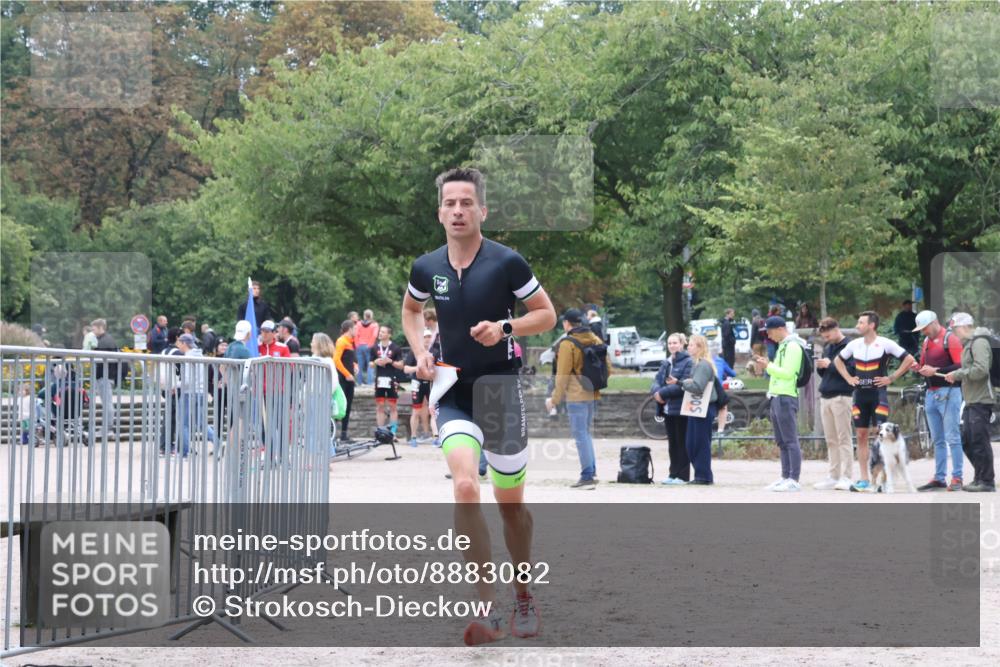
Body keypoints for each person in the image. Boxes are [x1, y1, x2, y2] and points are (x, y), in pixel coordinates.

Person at [401, 167, 555, 645]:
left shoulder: (507, 262)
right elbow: (410, 310)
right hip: (453, 390)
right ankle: (485, 608)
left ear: (482, 210)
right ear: (439, 213)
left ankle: (524, 593)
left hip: (500, 392)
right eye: (450, 204)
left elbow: (545, 315)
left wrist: (504, 328)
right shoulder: (426, 267)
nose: (458, 210)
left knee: (512, 509)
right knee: (465, 486)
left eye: (467, 203)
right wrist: (421, 349)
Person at [833, 311, 916, 492]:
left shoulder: (885, 344)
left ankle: (884, 480)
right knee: (861, 436)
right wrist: (848, 378)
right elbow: (837, 361)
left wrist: (891, 377)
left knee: (883, 436)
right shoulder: (854, 344)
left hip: (878, 394)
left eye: (861, 322)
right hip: (860, 396)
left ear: (872, 325)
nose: (857, 326)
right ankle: (864, 478)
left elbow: (909, 359)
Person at [544, 308, 603, 489]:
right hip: (592, 392)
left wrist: (554, 399)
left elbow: (562, 375)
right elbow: (607, 366)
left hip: (576, 395)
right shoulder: (595, 339)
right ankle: (591, 471)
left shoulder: (567, 343)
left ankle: (587, 476)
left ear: (566, 323)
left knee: (580, 436)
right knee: (586, 433)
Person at [912, 310, 965, 491]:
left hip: (949, 391)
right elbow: (925, 366)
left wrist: (935, 369)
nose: (923, 332)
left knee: (952, 436)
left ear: (934, 322)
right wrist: (918, 368)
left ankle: (957, 477)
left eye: (925, 328)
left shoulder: (950, 339)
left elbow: (961, 365)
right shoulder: (926, 341)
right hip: (931, 393)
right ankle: (939, 477)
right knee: (937, 439)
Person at [944, 313, 996, 492]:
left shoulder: (979, 342)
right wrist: (957, 373)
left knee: (980, 440)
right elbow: (969, 369)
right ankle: (979, 477)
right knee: (967, 439)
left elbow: (981, 369)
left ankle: (987, 482)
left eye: (955, 329)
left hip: (981, 399)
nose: (954, 333)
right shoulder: (968, 345)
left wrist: (958, 374)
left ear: (965, 327)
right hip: (971, 399)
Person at [754, 316, 805, 492]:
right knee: (782, 441)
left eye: (769, 331)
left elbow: (788, 373)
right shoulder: (783, 346)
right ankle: (785, 477)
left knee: (790, 440)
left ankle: (794, 478)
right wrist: (768, 367)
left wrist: (768, 366)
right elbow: (778, 373)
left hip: (786, 396)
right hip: (776, 396)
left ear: (780, 328)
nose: (768, 336)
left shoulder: (792, 346)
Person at [813, 317, 855, 490]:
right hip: (826, 396)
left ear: (836, 328)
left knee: (844, 438)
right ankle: (833, 475)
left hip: (842, 396)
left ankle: (847, 476)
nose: (826, 339)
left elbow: (852, 371)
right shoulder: (829, 347)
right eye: (823, 336)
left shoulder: (850, 347)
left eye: (827, 335)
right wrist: (822, 367)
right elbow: (828, 373)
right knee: (830, 439)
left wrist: (830, 365)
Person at [650, 333, 692, 484]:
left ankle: (683, 476)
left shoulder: (688, 362)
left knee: (682, 442)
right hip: (667, 408)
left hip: (681, 408)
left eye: (675, 343)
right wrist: (656, 392)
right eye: (669, 343)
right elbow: (656, 381)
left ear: (682, 344)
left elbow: (682, 386)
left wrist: (662, 393)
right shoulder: (666, 363)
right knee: (672, 443)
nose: (672, 346)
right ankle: (673, 474)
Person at [680, 334, 718, 485]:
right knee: (693, 442)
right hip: (698, 408)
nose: (688, 347)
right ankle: (702, 475)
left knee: (699, 443)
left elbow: (697, 386)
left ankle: (703, 476)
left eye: (691, 345)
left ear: (700, 347)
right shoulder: (698, 364)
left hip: (703, 407)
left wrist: (683, 383)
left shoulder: (702, 365)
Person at [175, 333, 216, 457]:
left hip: (189, 393)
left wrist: (174, 385)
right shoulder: (200, 355)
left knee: (184, 424)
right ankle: (218, 442)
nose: (178, 346)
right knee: (201, 423)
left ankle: (185, 452)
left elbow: (187, 380)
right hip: (201, 392)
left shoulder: (187, 357)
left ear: (184, 344)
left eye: (179, 343)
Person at [311, 332, 348, 455]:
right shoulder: (316, 359)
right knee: (316, 429)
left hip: (320, 398)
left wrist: (323, 395)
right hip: (314, 398)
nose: (311, 343)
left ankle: (325, 457)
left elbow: (333, 382)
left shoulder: (326, 361)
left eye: (313, 341)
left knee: (319, 429)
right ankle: (322, 456)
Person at [404, 329, 438, 446]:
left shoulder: (435, 351)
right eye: (425, 337)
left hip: (430, 383)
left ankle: (436, 437)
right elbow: (406, 369)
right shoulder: (414, 352)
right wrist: (419, 368)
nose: (427, 339)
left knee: (433, 411)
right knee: (416, 411)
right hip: (417, 383)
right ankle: (413, 437)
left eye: (429, 337)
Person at [90, 318, 121, 440]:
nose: (92, 331)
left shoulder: (104, 342)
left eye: (94, 328)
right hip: (107, 376)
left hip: (105, 376)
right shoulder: (108, 340)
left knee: (107, 404)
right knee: (107, 403)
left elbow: (99, 360)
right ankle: (107, 428)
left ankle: (107, 429)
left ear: (100, 327)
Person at [372, 324, 404, 436]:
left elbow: (401, 365)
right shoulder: (375, 347)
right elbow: (370, 364)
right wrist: (375, 362)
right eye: (380, 331)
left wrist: (390, 361)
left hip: (392, 380)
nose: (380, 333)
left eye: (383, 332)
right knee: (380, 406)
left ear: (389, 335)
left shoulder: (395, 348)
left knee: (393, 406)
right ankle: (380, 432)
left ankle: (393, 433)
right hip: (379, 380)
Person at [334, 319, 358, 443]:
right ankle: (332, 433)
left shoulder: (350, 342)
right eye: (355, 328)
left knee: (348, 406)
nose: (356, 330)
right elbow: (336, 360)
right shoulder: (341, 341)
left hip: (349, 379)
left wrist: (355, 365)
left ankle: (344, 434)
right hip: (343, 379)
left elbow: (349, 358)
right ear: (349, 329)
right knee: (340, 405)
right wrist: (347, 374)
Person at [354, 309, 379, 386]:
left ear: (364, 315)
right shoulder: (374, 325)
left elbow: (355, 334)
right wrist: (370, 344)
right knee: (370, 365)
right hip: (370, 346)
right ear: (372, 316)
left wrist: (357, 344)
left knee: (359, 365)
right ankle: (370, 382)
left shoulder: (358, 324)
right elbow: (374, 335)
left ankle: (359, 382)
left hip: (359, 346)